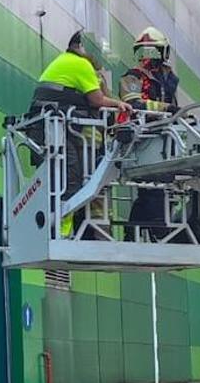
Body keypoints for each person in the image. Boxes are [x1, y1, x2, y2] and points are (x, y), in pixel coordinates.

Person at [28, 31, 131, 237]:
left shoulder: (64, 61)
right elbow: (97, 100)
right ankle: (60, 233)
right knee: (71, 178)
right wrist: (120, 104)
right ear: (81, 49)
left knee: (62, 178)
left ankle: (58, 231)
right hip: (53, 126)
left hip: (46, 127)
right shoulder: (81, 64)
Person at [120, 27, 186, 241]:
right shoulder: (132, 77)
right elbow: (133, 103)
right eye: (145, 53)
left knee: (154, 189)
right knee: (152, 189)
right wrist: (165, 109)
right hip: (141, 139)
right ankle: (156, 230)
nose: (148, 58)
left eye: (153, 52)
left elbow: (175, 107)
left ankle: (135, 233)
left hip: (165, 137)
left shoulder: (168, 79)